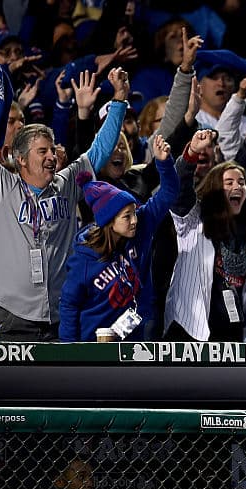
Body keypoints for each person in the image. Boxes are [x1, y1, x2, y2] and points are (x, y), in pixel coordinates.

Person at [0, 58, 130, 340]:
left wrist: (119, 100)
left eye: (52, 150)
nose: (52, 157)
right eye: (42, 152)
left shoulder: (67, 183)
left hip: (58, 316)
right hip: (9, 315)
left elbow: (100, 149)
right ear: (21, 159)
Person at [59, 135, 179, 342]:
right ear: (109, 221)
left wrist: (164, 162)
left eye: (134, 212)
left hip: (133, 334)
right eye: (127, 216)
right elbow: (69, 305)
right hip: (93, 343)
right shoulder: (85, 257)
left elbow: (169, 193)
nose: (134, 220)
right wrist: (70, 351)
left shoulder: (141, 226)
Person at [163, 130, 246, 342]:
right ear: (215, 188)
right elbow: (179, 190)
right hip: (189, 330)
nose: (237, 187)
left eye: (241, 182)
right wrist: (191, 153)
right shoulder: (193, 219)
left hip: (232, 335)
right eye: (229, 182)